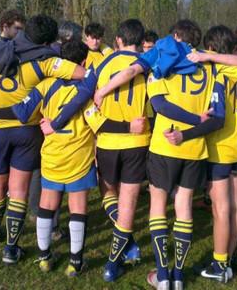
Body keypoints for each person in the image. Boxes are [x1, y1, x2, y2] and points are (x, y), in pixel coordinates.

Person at [0, 15, 86, 258]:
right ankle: (11, 248)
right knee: (18, 190)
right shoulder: (45, 63)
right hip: (27, 130)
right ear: (47, 42)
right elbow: (81, 73)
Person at [143, 52, 226, 290]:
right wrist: (190, 131)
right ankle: (177, 276)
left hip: (164, 146)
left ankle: (162, 276)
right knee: (184, 207)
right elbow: (218, 119)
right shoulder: (211, 71)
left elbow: (159, 105)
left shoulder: (162, 63)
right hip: (194, 150)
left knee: (157, 206)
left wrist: (181, 131)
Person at [80, 19, 150, 282]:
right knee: (129, 201)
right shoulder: (148, 65)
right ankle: (112, 263)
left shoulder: (102, 64)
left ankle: (126, 243)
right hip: (138, 143)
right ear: (142, 42)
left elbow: (89, 109)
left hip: (107, 142)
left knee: (108, 191)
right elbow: (153, 110)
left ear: (118, 40)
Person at [186, 26, 237, 282]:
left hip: (220, 147)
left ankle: (219, 264)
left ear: (212, 48)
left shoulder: (220, 67)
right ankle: (228, 259)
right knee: (235, 204)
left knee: (221, 208)